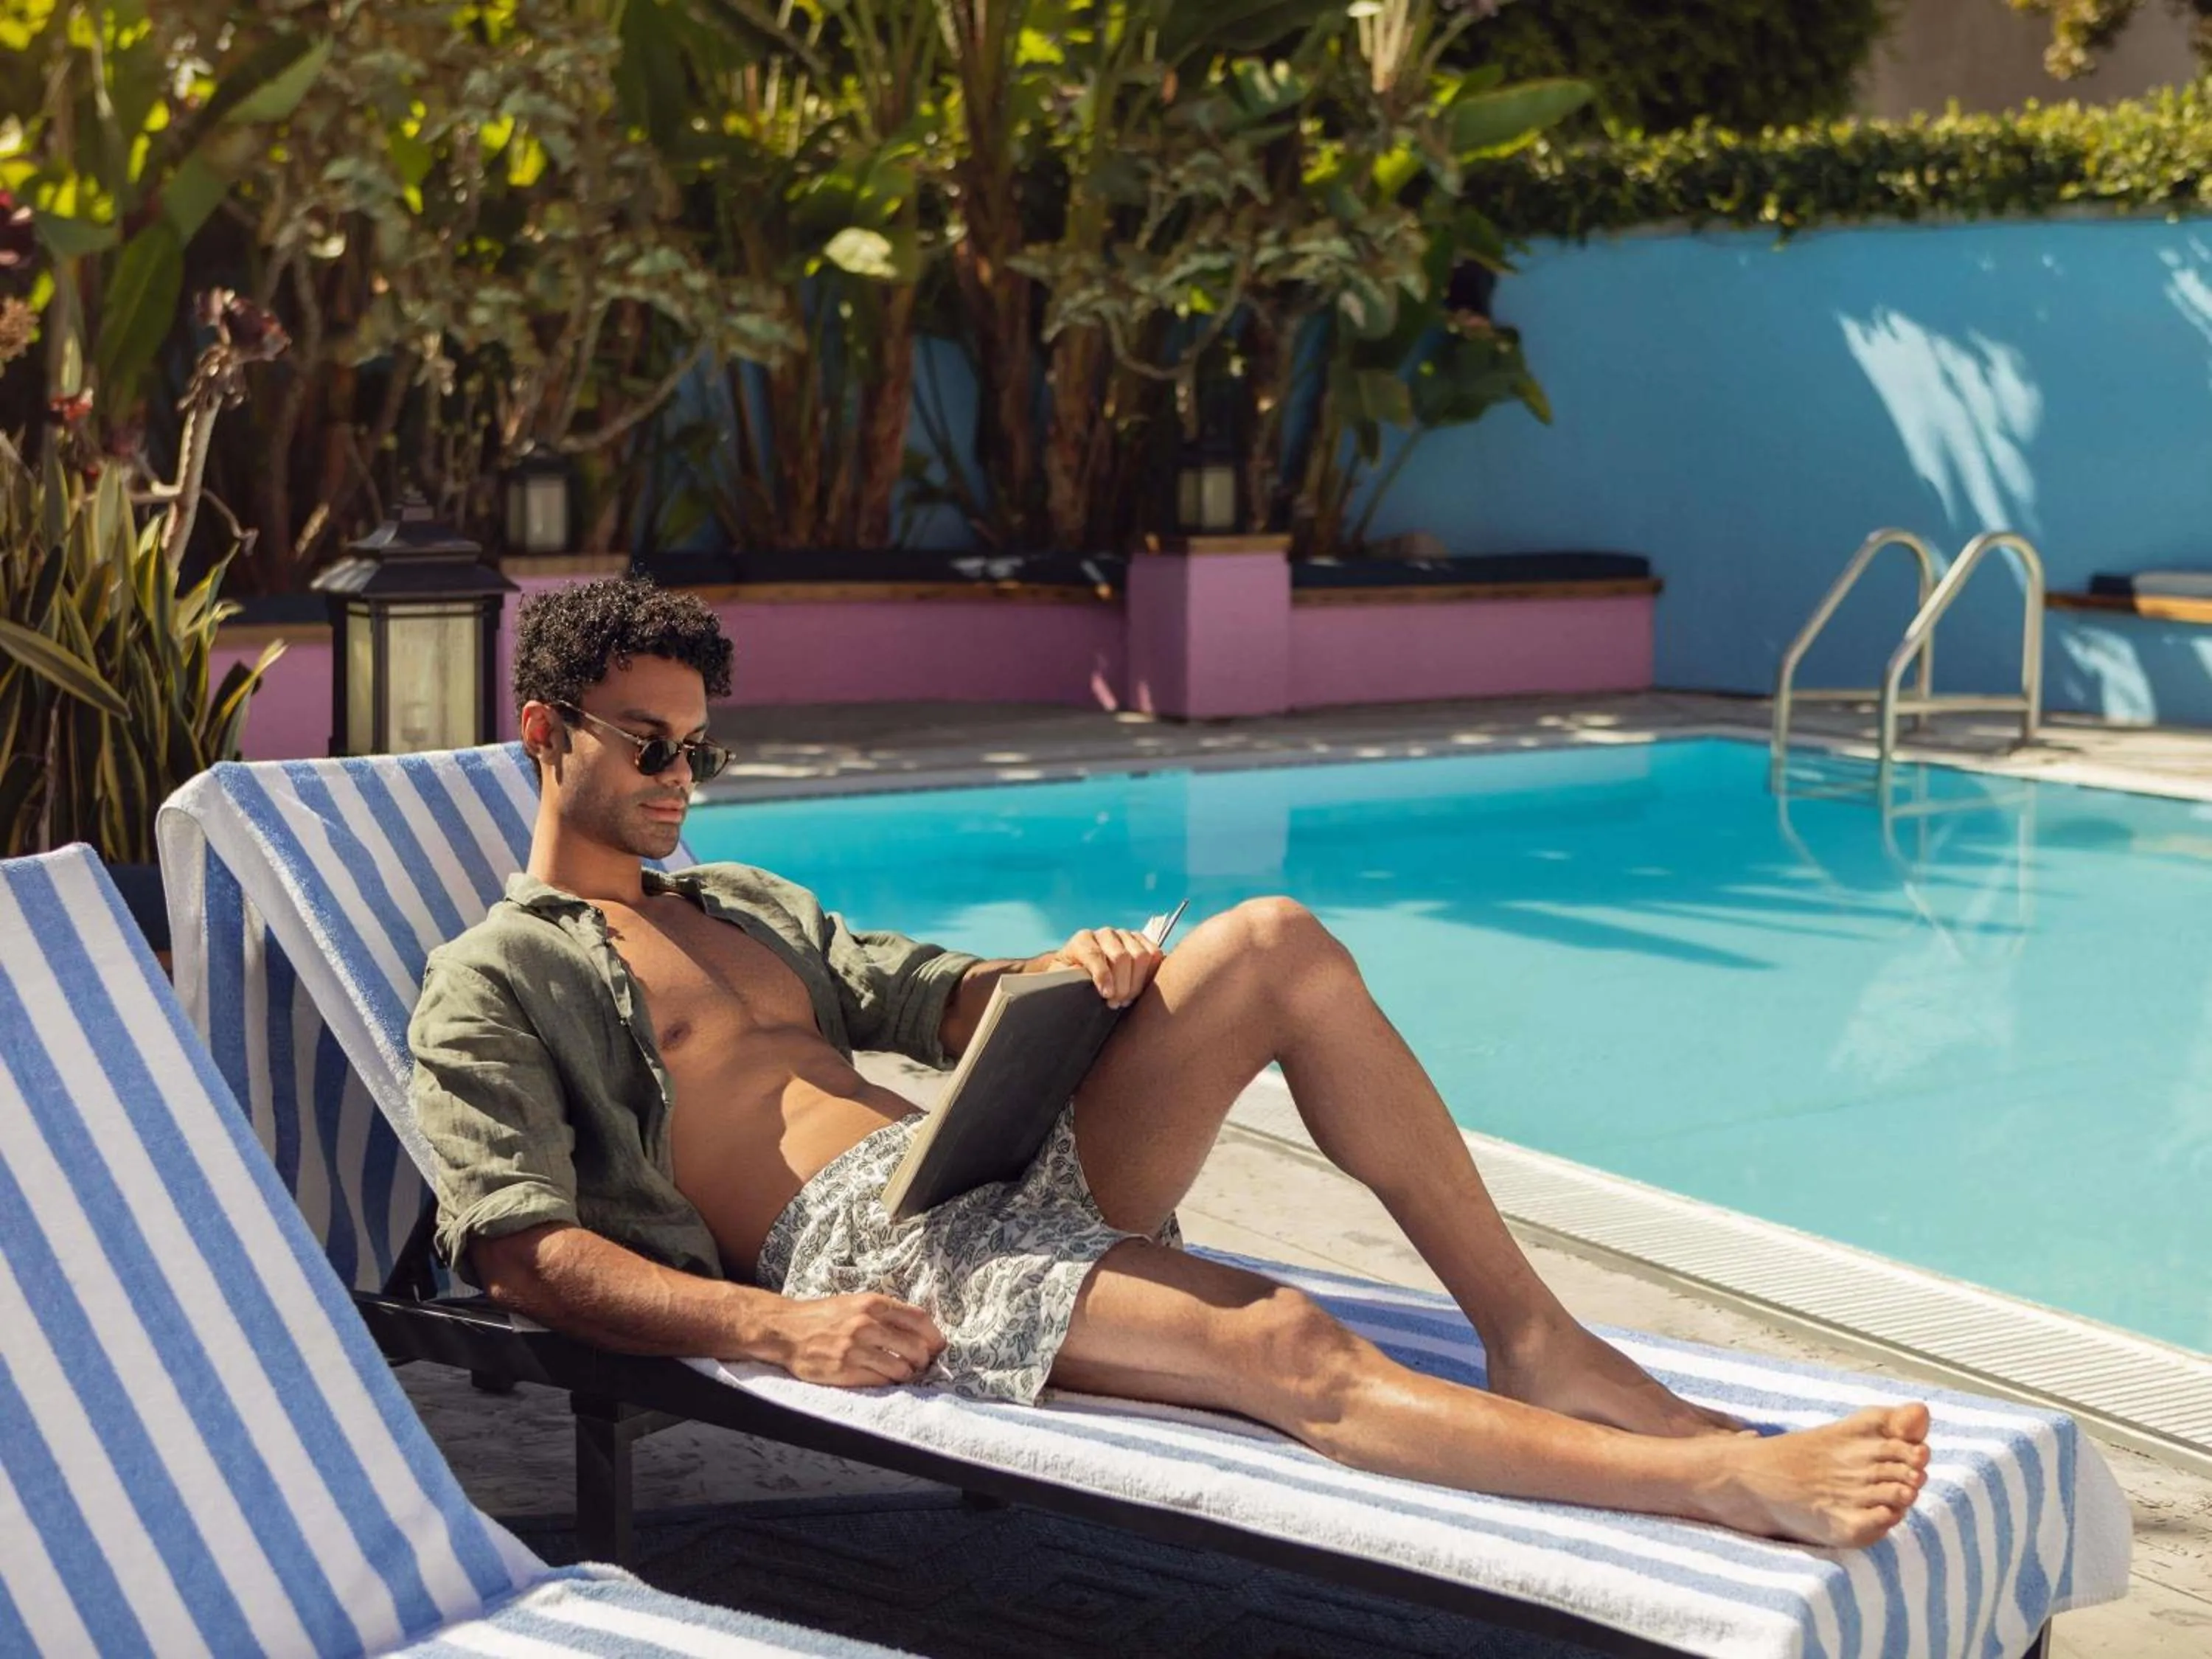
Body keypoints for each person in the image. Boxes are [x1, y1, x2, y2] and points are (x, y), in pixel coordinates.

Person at [409, 577, 1930, 1548]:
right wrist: (776, 1332)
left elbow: (934, 999)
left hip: (978, 1155)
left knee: (1270, 940)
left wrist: (1071, 979)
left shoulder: (746, 905)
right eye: (649, 746)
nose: (684, 783)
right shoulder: (497, 977)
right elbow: (525, 1257)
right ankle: (1722, 1483)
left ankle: (1530, 1330)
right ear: (546, 732)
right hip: (869, 1249)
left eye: (702, 752)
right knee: (1285, 1345)